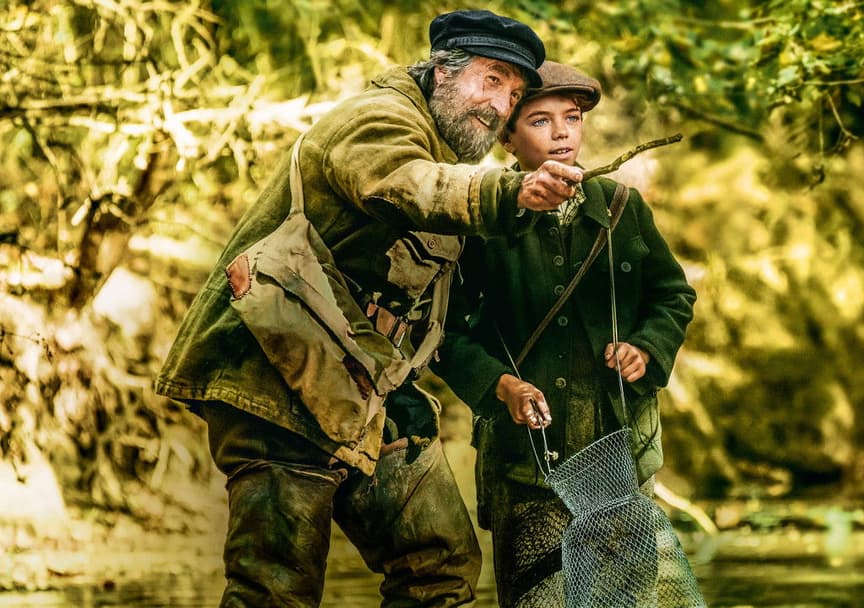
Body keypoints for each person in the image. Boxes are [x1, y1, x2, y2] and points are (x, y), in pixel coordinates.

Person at [154, 10, 585, 608]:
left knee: (440, 567)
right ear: (441, 71)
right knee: (274, 589)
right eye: (490, 81)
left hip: (364, 379)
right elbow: (408, 184)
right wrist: (512, 190)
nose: (499, 105)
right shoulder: (376, 119)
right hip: (275, 369)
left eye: (513, 93)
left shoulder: (447, 151)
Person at [432, 61, 697, 607]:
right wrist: (502, 386)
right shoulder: (482, 220)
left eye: (572, 119)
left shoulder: (625, 211)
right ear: (506, 136)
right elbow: (446, 333)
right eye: (539, 121)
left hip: (622, 457)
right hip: (526, 468)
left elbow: (673, 296)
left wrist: (646, 348)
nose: (561, 134)